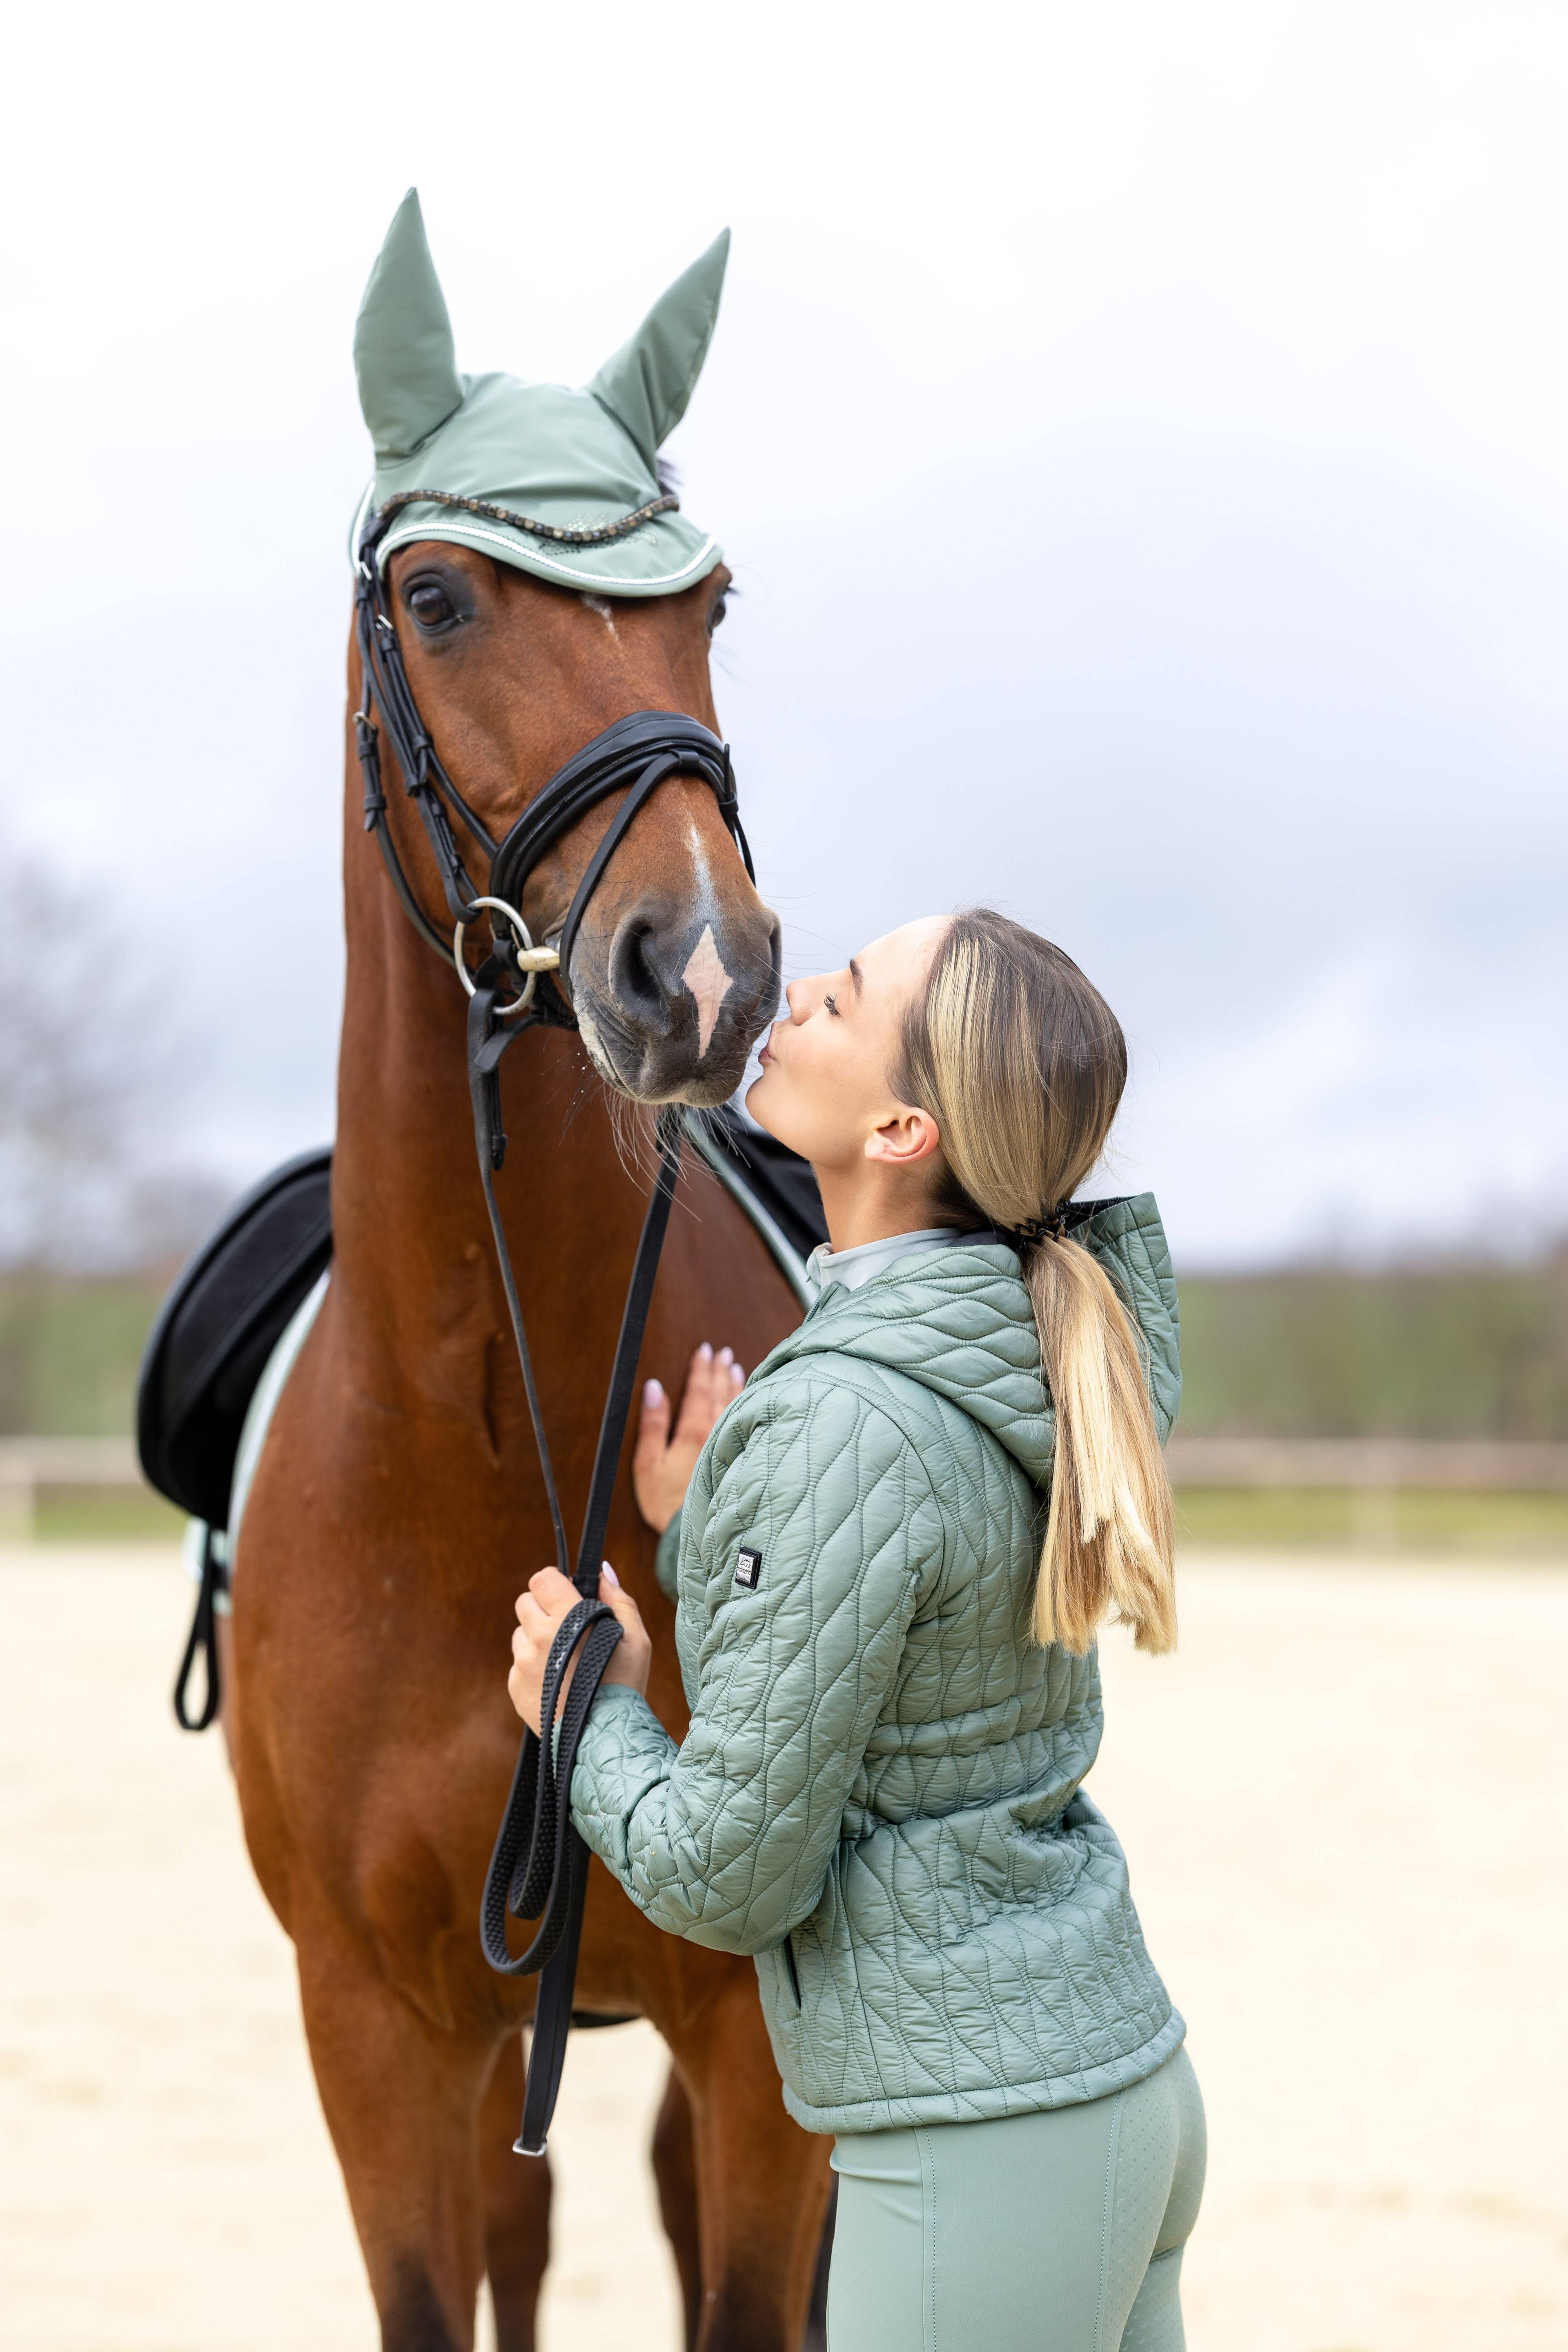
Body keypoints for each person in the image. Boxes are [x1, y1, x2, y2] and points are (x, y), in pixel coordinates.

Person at [508, 909, 1205, 2351]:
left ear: (900, 1127)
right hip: (1114, 2092)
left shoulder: (839, 1417)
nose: (796, 987)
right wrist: (706, 1525)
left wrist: (589, 1720)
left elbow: (726, 1871)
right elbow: (903, 1610)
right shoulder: (1014, 1349)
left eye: (846, 995)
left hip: (975, 2149)